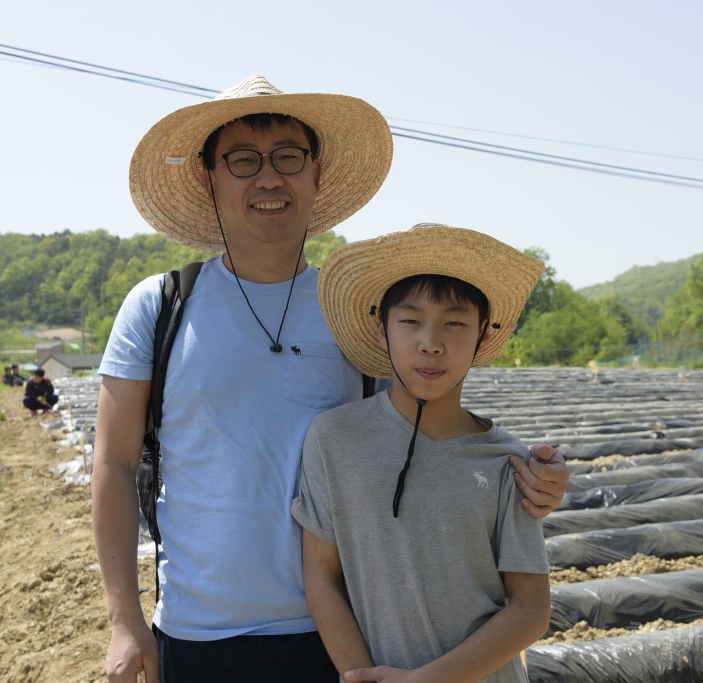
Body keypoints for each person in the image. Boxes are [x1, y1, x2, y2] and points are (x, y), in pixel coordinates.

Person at [92, 75, 569, 683]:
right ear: (210, 177)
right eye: (242, 160)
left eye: (288, 157)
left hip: (342, 632)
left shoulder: (357, 315)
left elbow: (428, 429)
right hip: (196, 631)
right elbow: (113, 465)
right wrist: (124, 619)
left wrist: (529, 478)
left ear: (315, 173)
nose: (269, 178)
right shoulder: (160, 307)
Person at [294, 225, 551, 682]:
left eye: (455, 323)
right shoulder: (334, 439)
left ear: (481, 337)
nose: (430, 341)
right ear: (382, 330)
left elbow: (531, 610)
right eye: (410, 321)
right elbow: (321, 578)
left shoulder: (507, 461)